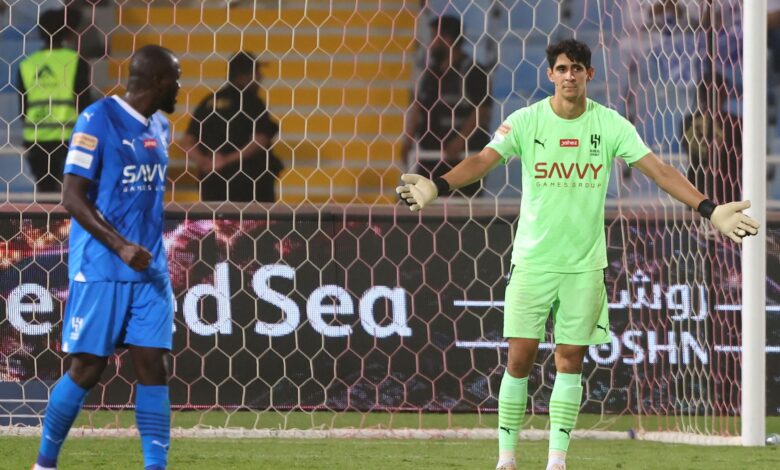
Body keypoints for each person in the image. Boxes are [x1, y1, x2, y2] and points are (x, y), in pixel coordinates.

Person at [396, 38, 759, 470]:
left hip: (584, 266)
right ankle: (506, 458)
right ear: (551, 75)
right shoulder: (526, 121)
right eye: (563, 68)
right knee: (519, 358)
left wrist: (709, 208)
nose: (570, 75)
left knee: (570, 361)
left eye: (578, 68)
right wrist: (438, 184)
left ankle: (556, 461)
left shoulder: (609, 125)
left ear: (590, 74)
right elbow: (483, 160)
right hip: (532, 261)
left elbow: (659, 170)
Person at [32, 45, 181, 470]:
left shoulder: (162, 126)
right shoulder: (97, 120)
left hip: (149, 270)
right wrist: (120, 245)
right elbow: (71, 197)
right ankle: (44, 463)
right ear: (156, 81)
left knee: (153, 364)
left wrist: (141, 250)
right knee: (87, 369)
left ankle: (156, 467)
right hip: (102, 266)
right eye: (177, 79)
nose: (180, 88)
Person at [402, 14, 491, 197]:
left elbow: (481, 112)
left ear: (448, 38)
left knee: (460, 209)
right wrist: (408, 138)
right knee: (422, 203)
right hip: (431, 157)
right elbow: (418, 105)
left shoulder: (473, 70)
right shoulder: (430, 73)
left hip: (462, 159)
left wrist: (459, 141)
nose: (431, 43)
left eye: (435, 36)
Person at [181, 51, 283, 202]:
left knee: (216, 224)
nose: (261, 77)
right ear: (246, 75)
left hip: (212, 184)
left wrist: (204, 161)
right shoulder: (251, 101)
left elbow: (187, 141)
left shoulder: (209, 101)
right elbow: (259, 139)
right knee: (255, 225)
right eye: (257, 72)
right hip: (248, 185)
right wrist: (226, 160)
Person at [17, 7, 93, 194]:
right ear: (67, 30)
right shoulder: (75, 60)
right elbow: (84, 103)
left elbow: (23, 109)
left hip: (36, 139)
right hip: (69, 138)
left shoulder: (27, 64)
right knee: (73, 193)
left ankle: (43, 225)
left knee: (45, 192)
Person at [682, 74, 741, 204]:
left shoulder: (735, 122)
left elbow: (742, 156)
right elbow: (689, 149)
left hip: (727, 188)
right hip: (697, 187)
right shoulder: (688, 122)